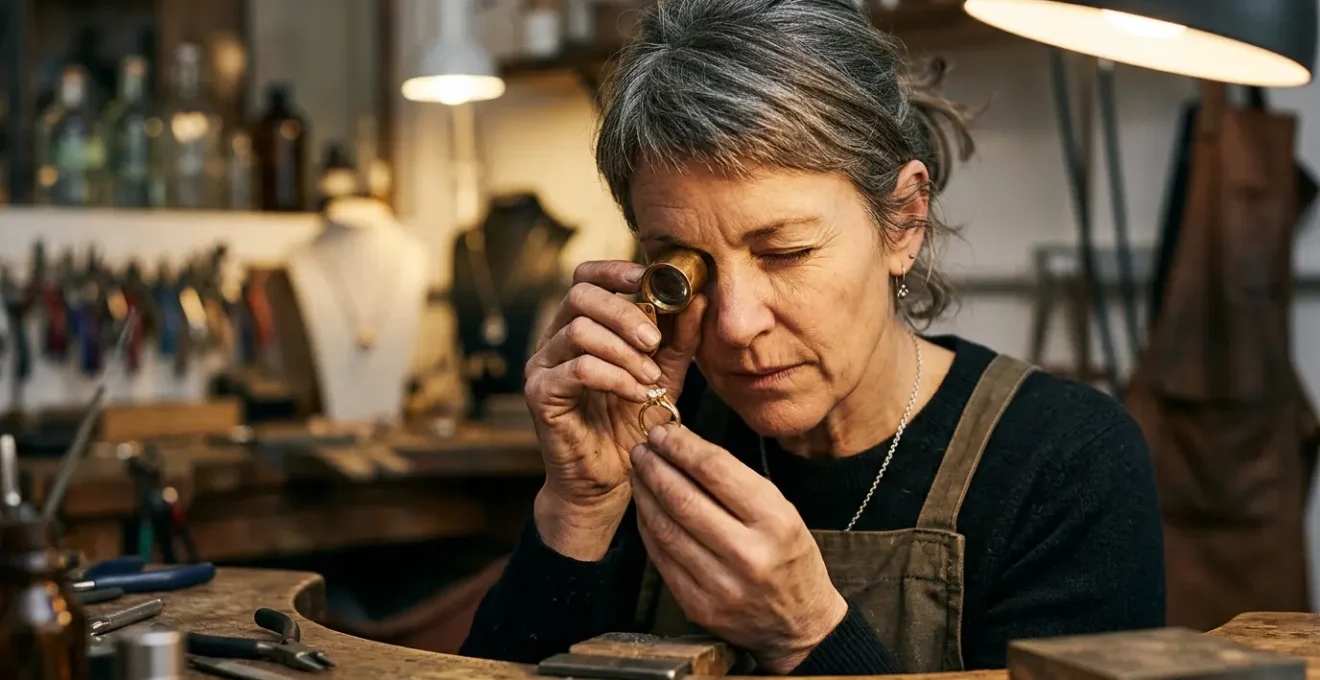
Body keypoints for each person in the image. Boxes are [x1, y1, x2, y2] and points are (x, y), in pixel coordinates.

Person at [459, 0, 1165, 674]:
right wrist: (578, 509)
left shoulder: (1067, 463)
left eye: (785, 252)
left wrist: (806, 634)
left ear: (905, 220)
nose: (736, 325)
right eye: (687, 266)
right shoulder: (646, 431)